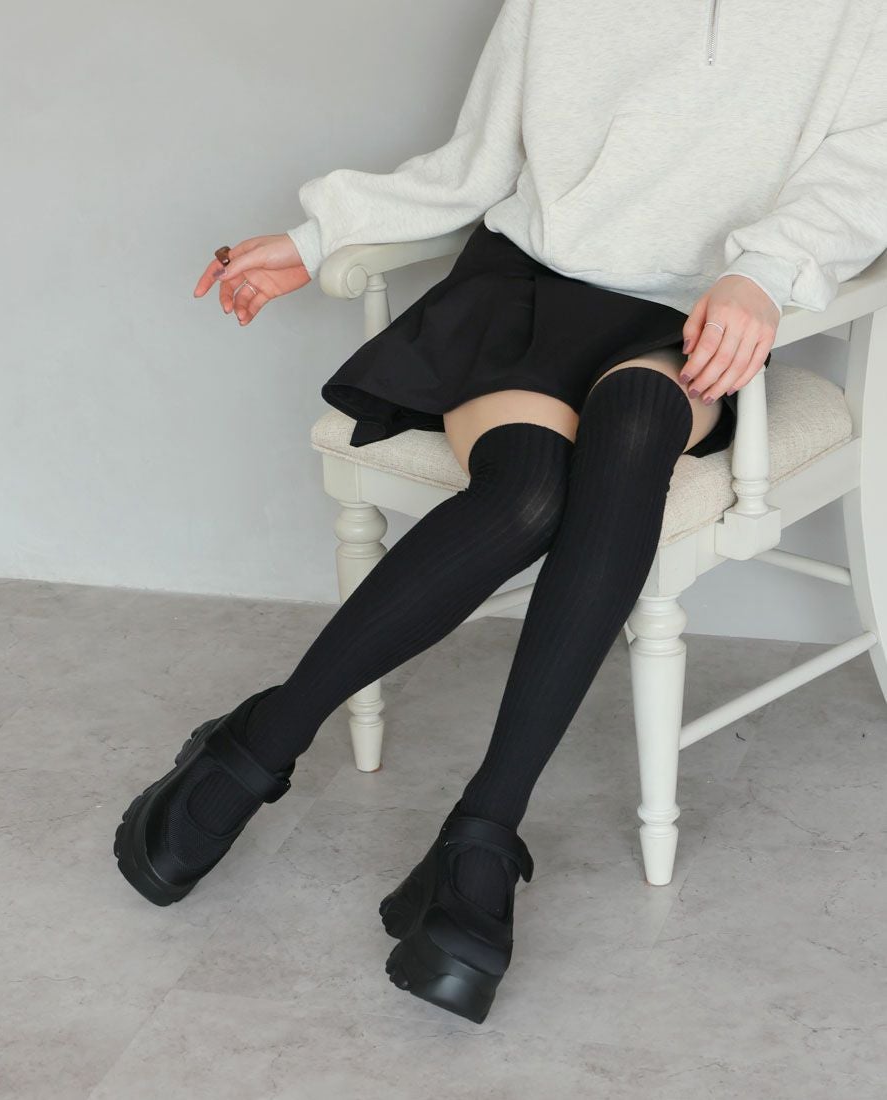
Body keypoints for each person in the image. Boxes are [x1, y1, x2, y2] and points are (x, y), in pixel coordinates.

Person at [116, 0, 887, 1024]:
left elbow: (867, 163)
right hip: (527, 291)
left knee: (631, 427)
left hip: (688, 321)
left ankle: (482, 829)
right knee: (525, 494)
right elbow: (474, 160)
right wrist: (316, 236)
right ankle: (265, 738)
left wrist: (763, 270)